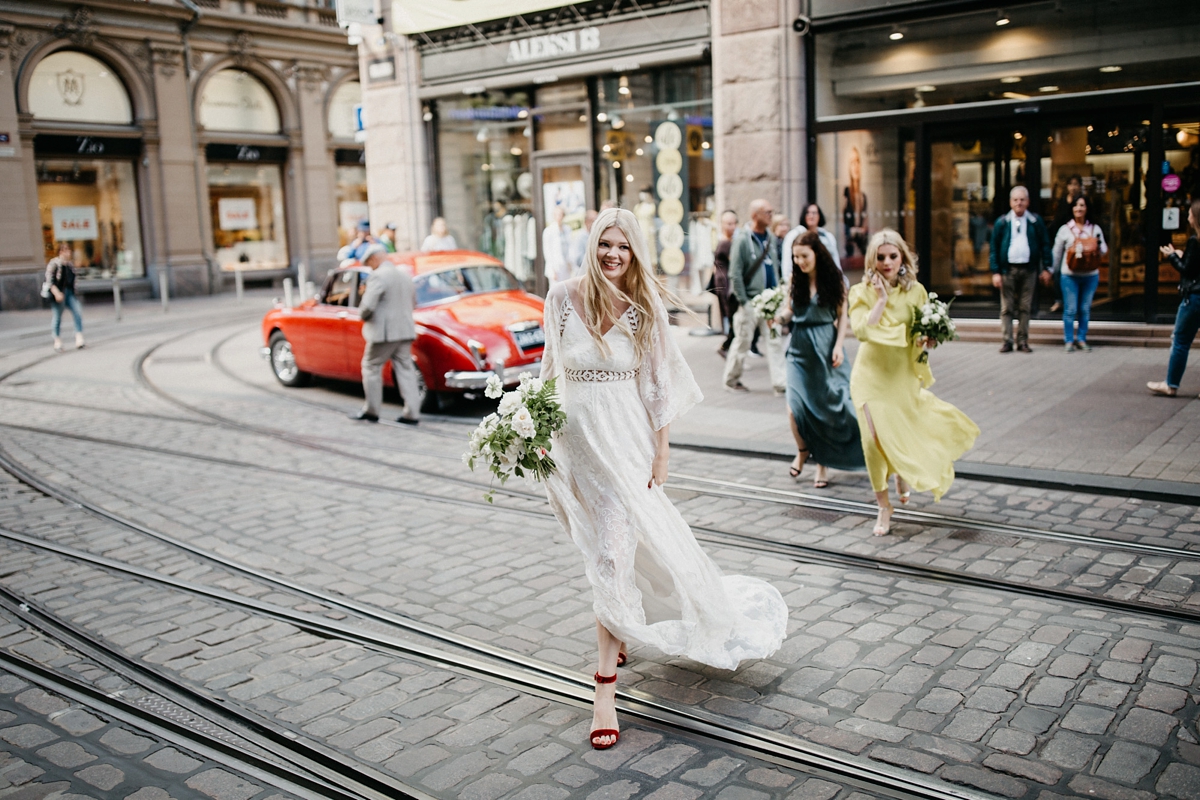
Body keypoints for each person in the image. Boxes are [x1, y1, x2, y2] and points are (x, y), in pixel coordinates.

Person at [540, 208, 787, 751]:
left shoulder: (643, 306)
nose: (612, 254)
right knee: (607, 550)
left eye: (623, 247)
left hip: (626, 447)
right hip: (578, 451)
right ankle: (621, 623)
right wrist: (533, 426)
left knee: (610, 555)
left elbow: (656, 386)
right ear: (591, 244)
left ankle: (604, 686)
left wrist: (662, 450)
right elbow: (550, 370)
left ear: (635, 254)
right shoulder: (561, 297)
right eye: (605, 243)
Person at [848, 230, 979, 536]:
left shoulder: (916, 291)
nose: (887, 262)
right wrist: (881, 299)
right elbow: (862, 331)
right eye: (880, 257)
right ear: (872, 260)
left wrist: (928, 340)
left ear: (902, 258)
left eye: (893, 256)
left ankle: (901, 471)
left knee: (899, 430)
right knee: (872, 441)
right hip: (870, 375)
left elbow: (921, 331)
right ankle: (883, 505)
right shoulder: (861, 292)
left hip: (901, 375)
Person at [779, 231, 865, 489]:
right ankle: (803, 450)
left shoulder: (835, 280)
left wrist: (839, 346)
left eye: (804, 256)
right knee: (795, 409)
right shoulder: (795, 279)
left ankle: (822, 464)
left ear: (817, 253)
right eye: (795, 257)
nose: (800, 261)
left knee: (826, 409)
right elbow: (789, 310)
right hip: (798, 349)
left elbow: (842, 317)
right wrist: (779, 317)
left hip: (825, 347)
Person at [351, 244, 421, 425]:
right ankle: (412, 412)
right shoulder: (405, 276)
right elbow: (413, 302)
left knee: (371, 366)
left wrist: (363, 315)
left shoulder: (378, 276)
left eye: (369, 263)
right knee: (405, 368)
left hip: (384, 333)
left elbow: (367, 306)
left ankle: (372, 410)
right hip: (405, 330)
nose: (370, 267)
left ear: (374, 259)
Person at [723, 199, 786, 393]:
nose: (771, 215)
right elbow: (735, 273)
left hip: (771, 301)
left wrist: (779, 293)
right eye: (767, 212)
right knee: (742, 342)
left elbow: (775, 267)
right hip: (751, 302)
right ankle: (731, 381)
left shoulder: (770, 238)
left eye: (772, 211)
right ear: (755, 215)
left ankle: (780, 384)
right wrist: (745, 302)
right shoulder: (742, 239)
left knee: (775, 342)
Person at [989, 186, 1052, 353]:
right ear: (1010, 202)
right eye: (1016, 200)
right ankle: (1007, 341)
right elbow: (994, 248)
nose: (1019, 203)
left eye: (1022, 200)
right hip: (1007, 270)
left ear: (1028, 202)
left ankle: (1023, 341)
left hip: (1029, 270)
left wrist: (1047, 267)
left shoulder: (1035, 221)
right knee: (1006, 308)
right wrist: (995, 271)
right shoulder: (1002, 222)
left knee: (1025, 307)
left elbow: (1045, 244)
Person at [1148, 197, 1200, 397]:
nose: (1187, 216)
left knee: (1180, 340)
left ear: (1196, 217)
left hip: (1194, 298)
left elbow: (1187, 270)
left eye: (1189, 213)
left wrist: (1172, 256)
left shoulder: (1195, 240)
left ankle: (1171, 384)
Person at [1052, 194, 1107, 352]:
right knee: (1070, 309)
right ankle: (1069, 340)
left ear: (1087, 208)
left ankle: (1081, 339)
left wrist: (1095, 245)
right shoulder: (1065, 229)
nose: (1079, 208)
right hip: (1069, 275)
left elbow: (1103, 251)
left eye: (1082, 205)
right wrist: (1050, 270)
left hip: (1090, 275)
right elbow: (1056, 253)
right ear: (1072, 209)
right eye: (1076, 205)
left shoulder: (1095, 229)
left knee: (1084, 308)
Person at [1048, 175, 1083, 313]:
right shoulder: (1062, 201)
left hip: (1077, 241)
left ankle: (1075, 301)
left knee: (1076, 271)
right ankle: (1059, 300)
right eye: (1071, 184)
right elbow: (1058, 221)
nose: (1073, 187)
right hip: (1062, 240)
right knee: (1058, 271)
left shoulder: (1081, 202)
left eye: (1076, 184)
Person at [781, 203, 842, 283]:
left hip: (827, 282)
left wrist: (840, 280)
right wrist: (789, 282)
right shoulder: (794, 235)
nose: (811, 216)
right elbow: (787, 262)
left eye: (814, 213)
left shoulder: (827, 237)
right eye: (807, 213)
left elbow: (835, 260)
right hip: (803, 282)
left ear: (819, 215)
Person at [43, 242, 84, 353]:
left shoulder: (70, 265)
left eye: (69, 250)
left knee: (77, 312)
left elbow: (73, 281)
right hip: (59, 294)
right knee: (57, 317)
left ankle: (79, 338)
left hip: (70, 294)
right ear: (60, 251)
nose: (68, 252)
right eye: (66, 250)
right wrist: (56, 293)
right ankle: (57, 340)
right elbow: (49, 281)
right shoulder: (54, 264)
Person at [712, 210, 739, 357]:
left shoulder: (725, 241)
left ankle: (728, 347)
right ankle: (727, 347)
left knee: (731, 317)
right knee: (732, 317)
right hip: (725, 284)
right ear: (722, 224)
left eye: (734, 223)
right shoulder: (725, 243)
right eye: (729, 223)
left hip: (724, 282)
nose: (732, 227)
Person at [543, 207, 572, 284]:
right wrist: (552, 270)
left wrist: (570, 262)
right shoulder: (549, 231)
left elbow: (570, 246)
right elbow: (547, 251)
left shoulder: (567, 229)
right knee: (556, 289)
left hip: (565, 265)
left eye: (561, 214)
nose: (559, 217)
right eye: (557, 214)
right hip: (555, 266)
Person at [569, 209, 599, 276]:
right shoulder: (580, 237)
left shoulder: (597, 236)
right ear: (586, 222)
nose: (595, 223)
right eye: (593, 220)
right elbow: (578, 260)